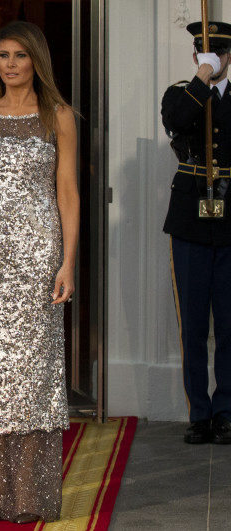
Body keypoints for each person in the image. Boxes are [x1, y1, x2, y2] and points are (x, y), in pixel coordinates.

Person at [0, 21, 79, 524]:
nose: (10, 64)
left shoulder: (59, 116)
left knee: (33, 376)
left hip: (38, 257)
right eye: (3, 55)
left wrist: (67, 261)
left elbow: (68, 192)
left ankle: (29, 496)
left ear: (37, 61)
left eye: (20, 55)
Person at [161, 21, 231, 445]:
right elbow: (176, 120)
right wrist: (201, 80)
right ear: (196, 57)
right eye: (205, 53)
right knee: (192, 323)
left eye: (220, 53)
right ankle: (199, 413)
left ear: (229, 55)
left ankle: (225, 412)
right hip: (189, 217)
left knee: (227, 323)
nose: (213, 58)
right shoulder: (181, 93)